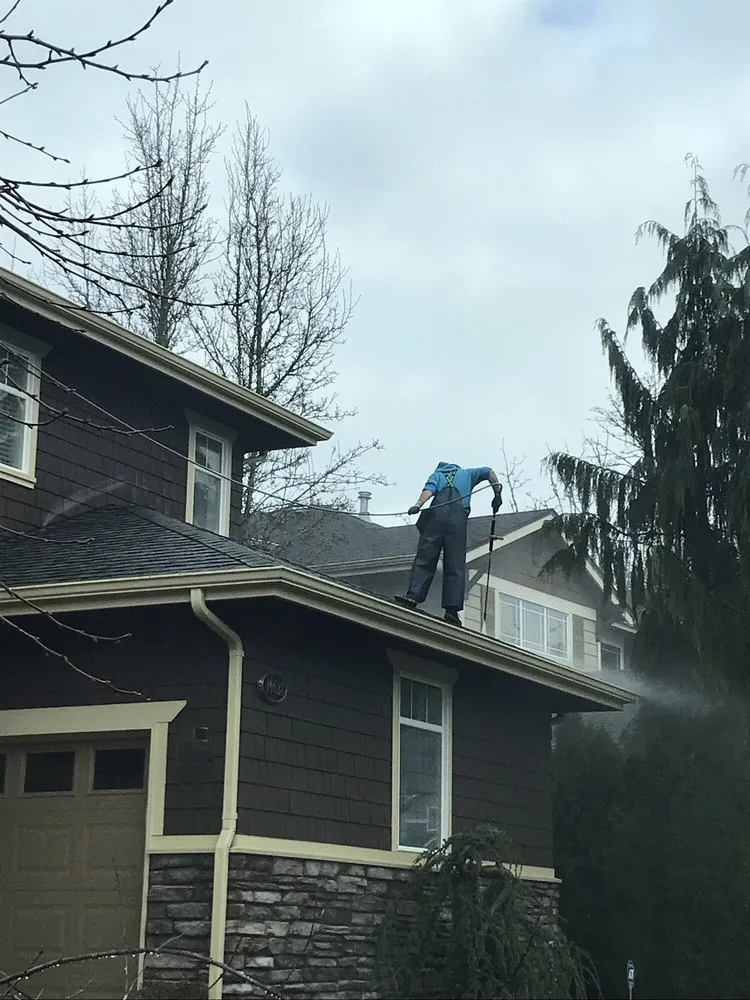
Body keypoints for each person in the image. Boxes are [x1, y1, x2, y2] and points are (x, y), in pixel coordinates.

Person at [395, 461, 503, 626]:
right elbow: (489, 472)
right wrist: (497, 494)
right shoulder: (468, 474)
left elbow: (428, 491)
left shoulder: (437, 475)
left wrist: (417, 505)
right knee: (455, 563)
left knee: (426, 557)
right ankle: (452, 611)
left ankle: (413, 595)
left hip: (436, 520)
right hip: (457, 523)